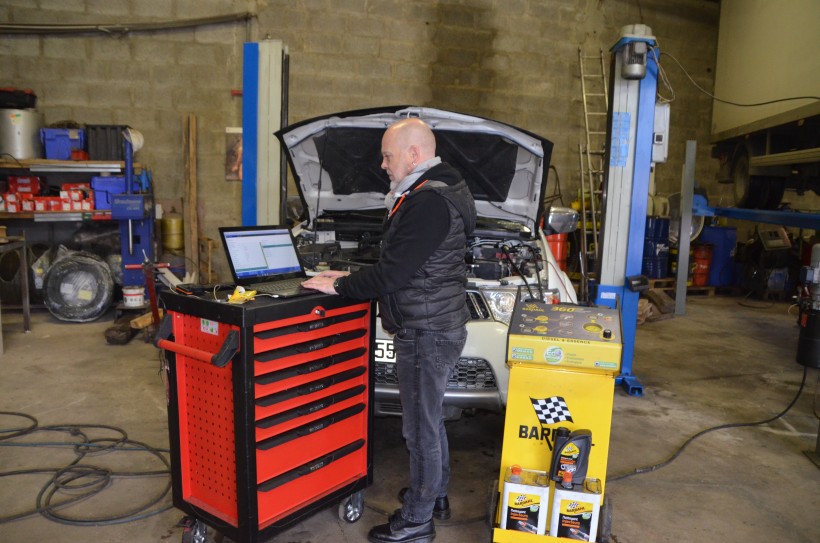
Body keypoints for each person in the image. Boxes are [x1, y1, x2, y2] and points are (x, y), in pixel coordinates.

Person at [302, 117, 476, 543]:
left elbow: (393, 275)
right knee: (430, 419)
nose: (382, 164)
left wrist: (340, 285)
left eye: (388, 155)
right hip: (438, 320)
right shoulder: (444, 186)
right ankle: (433, 494)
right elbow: (406, 264)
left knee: (419, 427)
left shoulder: (427, 201)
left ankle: (416, 519)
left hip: (426, 329)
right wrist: (346, 273)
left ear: (414, 155)